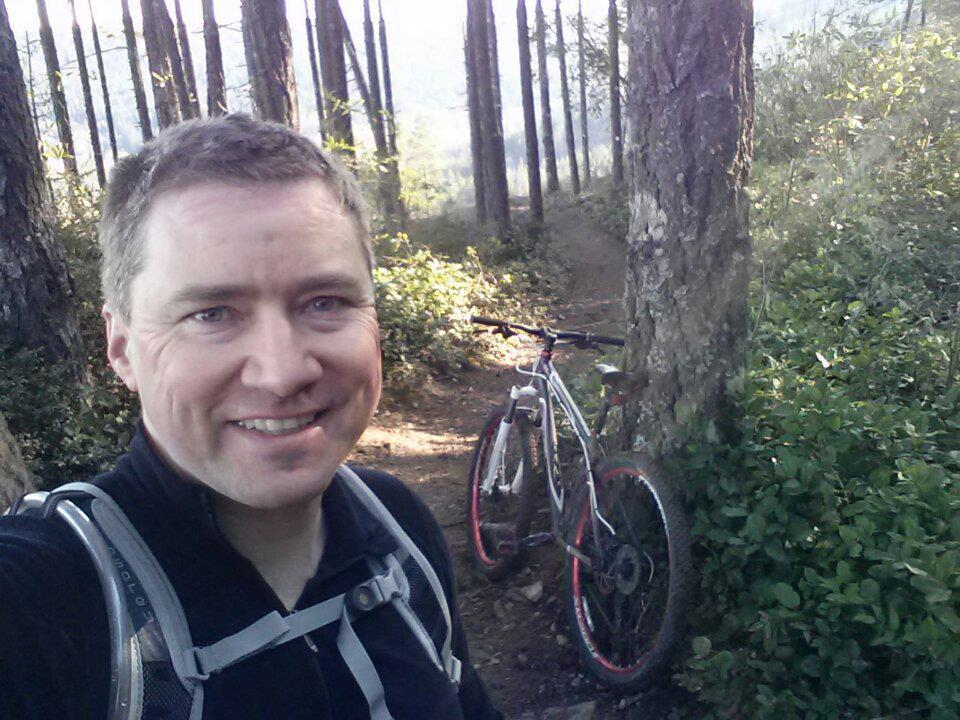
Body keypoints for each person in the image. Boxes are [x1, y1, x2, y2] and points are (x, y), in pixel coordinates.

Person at [0, 114, 502, 720]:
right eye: (212, 313)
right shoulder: (40, 600)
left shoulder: (397, 528)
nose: (282, 371)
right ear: (122, 347)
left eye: (325, 303)